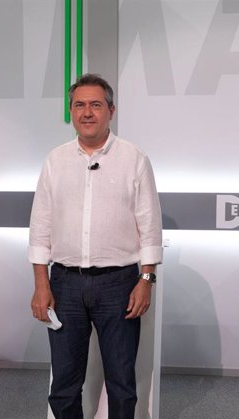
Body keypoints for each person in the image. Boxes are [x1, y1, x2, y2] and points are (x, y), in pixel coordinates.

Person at [29, 73, 163, 419]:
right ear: (71, 112)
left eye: (95, 105)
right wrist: (40, 284)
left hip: (119, 284)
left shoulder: (134, 158)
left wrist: (146, 280)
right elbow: (40, 226)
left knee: (122, 384)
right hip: (64, 285)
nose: (87, 112)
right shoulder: (55, 160)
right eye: (79, 105)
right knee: (63, 386)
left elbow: (149, 224)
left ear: (111, 110)